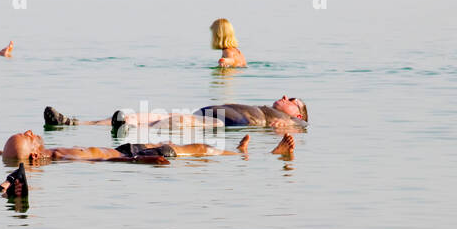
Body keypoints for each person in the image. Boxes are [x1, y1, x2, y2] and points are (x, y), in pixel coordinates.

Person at [0, 131, 295, 165]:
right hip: (131, 157)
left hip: (126, 148)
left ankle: (237, 152)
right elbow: (102, 163)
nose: (35, 133)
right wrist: (144, 162)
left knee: (196, 147)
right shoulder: (60, 157)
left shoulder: (17, 155)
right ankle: (257, 156)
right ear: (34, 155)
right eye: (30, 136)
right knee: (197, 151)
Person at [43, 96, 307, 130]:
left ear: (299, 114)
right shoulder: (266, 107)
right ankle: (75, 122)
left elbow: (285, 132)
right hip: (215, 112)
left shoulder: (292, 122)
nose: (285, 98)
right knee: (150, 113)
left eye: (293, 100)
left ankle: (134, 129)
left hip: (232, 122)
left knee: (183, 121)